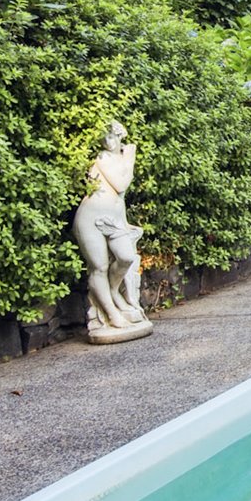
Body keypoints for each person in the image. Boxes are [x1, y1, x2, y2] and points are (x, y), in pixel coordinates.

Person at [72, 121, 153, 342]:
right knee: (99, 267)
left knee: (126, 257)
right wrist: (130, 157)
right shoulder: (103, 158)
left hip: (114, 220)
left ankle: (115, 292)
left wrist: (125, 223)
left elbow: (120, 198)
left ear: (120, 136)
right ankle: (111, 314)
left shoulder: (119, 159)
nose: (108, 142)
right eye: (104, 138)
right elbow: (120, 185)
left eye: (112, 137)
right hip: (90, 218)